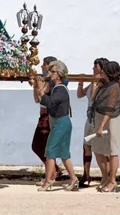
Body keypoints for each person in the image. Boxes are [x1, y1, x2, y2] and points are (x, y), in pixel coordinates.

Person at [34, 60, 79, 192]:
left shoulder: (60, 89)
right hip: (60, 122)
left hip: (60, 123)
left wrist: (42, 91)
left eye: (52, 72)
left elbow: (50, 103)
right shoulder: (55, 88)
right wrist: (41, 87)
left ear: (59, 74)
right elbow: (42, 99)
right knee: (64, 154)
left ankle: (48, 182)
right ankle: (73, 178)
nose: (50, 74)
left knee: (50, 151)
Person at [91, 61, 120, 193]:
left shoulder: (114, 87)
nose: (102, 72)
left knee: (112, 150)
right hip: (99, 117)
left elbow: (110, 109)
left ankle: (112, 180)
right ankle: (105, 177)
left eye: (104, 70)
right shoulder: (103, 85)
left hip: (111, 120)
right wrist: (96, 85)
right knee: (97, 149)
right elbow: (93, 99)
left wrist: (101, 126)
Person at [31, 56, 65, 179]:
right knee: (37, 145)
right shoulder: (44, 80)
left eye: (43, 65)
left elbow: (44, 93)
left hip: (49, 116)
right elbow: (36, 99)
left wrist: (39, 85)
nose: (41, 67)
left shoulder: (51, 82)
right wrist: (35, 86)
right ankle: (53, 170)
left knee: (46, 145)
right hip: (42, 115)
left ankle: (52, 173)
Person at [76, 57, 107, 188]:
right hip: (89, 119)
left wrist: (94, 82)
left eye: (96, 67)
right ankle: (86, 173)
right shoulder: (93, 82)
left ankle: (106, 175)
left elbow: (94, 97)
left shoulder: (101, 83)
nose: (93, 69)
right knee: (86, 146)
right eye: (93, 67)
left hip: (97, 119)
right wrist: (81, 82)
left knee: (98, 149)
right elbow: (80, 94)